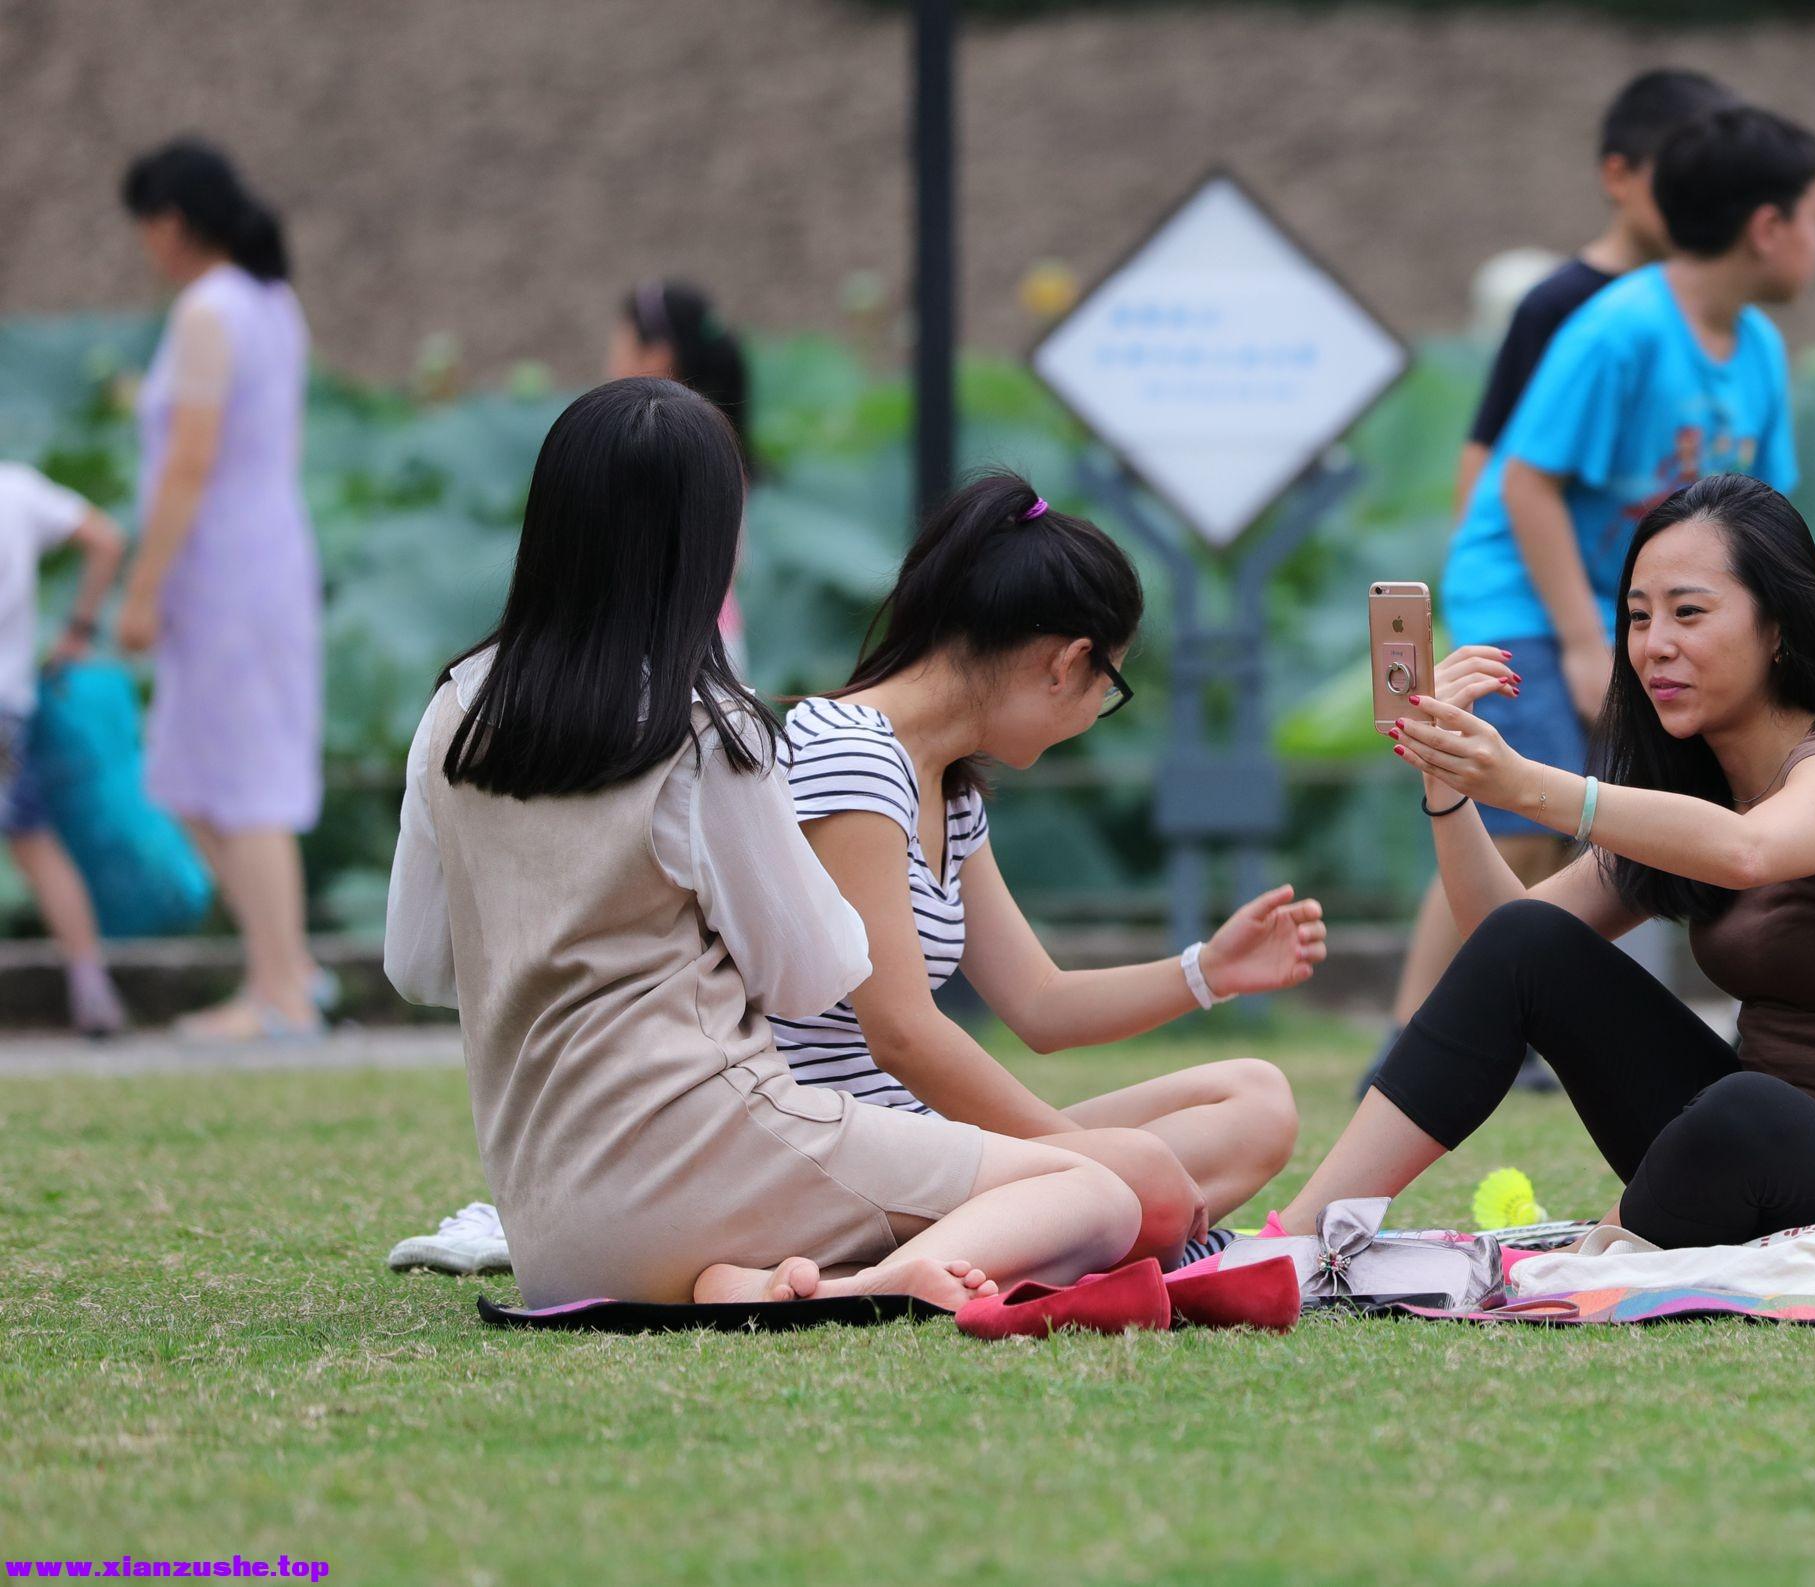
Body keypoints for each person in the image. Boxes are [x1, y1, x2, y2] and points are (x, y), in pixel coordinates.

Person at [384, 379, 1144, 1308]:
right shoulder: (704, 734)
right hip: (728, 1151)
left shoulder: (454, 712)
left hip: (551, 1231)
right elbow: (808, 974)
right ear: (703, 547)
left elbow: (418, 964)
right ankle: (873, 1279)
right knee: (1100, 1193)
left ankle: (750, 1283)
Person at [1281, 475, 1815, 1260]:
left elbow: (1748, 848)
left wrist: (1525, 784)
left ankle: (1613, 1245)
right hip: (1736, 1157)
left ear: (1779, 628)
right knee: (1538, 947)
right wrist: (1448, 788)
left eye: (1689, 613)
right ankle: (1304, 1235)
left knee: (1747, 1107)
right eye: (1637, 616)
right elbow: (1504, 949)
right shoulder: (1690, 793)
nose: (1655, 643)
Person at [1366, 101, 1815, 1098]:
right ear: (1766, 226)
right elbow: (1524, 483)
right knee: (1515, 819)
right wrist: (1583, 642)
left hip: (1639, 612)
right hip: (1530, 599)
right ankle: (1411, 1040)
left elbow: (1764, 511)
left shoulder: (1757, 350)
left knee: (1598, 821)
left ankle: (1528, 1025)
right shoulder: (1618, 328)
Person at [773, 469, 1317, 1267]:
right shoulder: (850, 753)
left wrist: (1208, 971)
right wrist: (1081, 1155)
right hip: (835, 1155)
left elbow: (1040, 1002)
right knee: (1126, 1185)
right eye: (1113, 684)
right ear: (1068, 662)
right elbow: (902, 1034)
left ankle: (1046, 1229)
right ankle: (970, 1251)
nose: (1100, 712)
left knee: (1255, 1099)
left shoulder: (945, 784)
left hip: (923, 1142)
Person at [115, 138, 326, 1040]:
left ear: (169, 225)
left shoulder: (208, 311)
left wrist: (141, 587)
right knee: (204, 774)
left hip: (224, 570)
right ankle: (285, 972)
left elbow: (191, 461)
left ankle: (279, 990)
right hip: (265, 553)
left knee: (243, 779)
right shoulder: (273, 305)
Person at [0, 462, 130, 1035]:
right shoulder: (16, 489)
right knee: (33, 843)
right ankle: (91, 988)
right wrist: (79, 629)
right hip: (8, 705)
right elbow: (106, 537)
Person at [606, 279, 751, 670]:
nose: (609, 358)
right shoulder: (717, 441)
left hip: (663, 653)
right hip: (720, 642)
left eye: (618, 343)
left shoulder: (644, 448)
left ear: (656, 355)